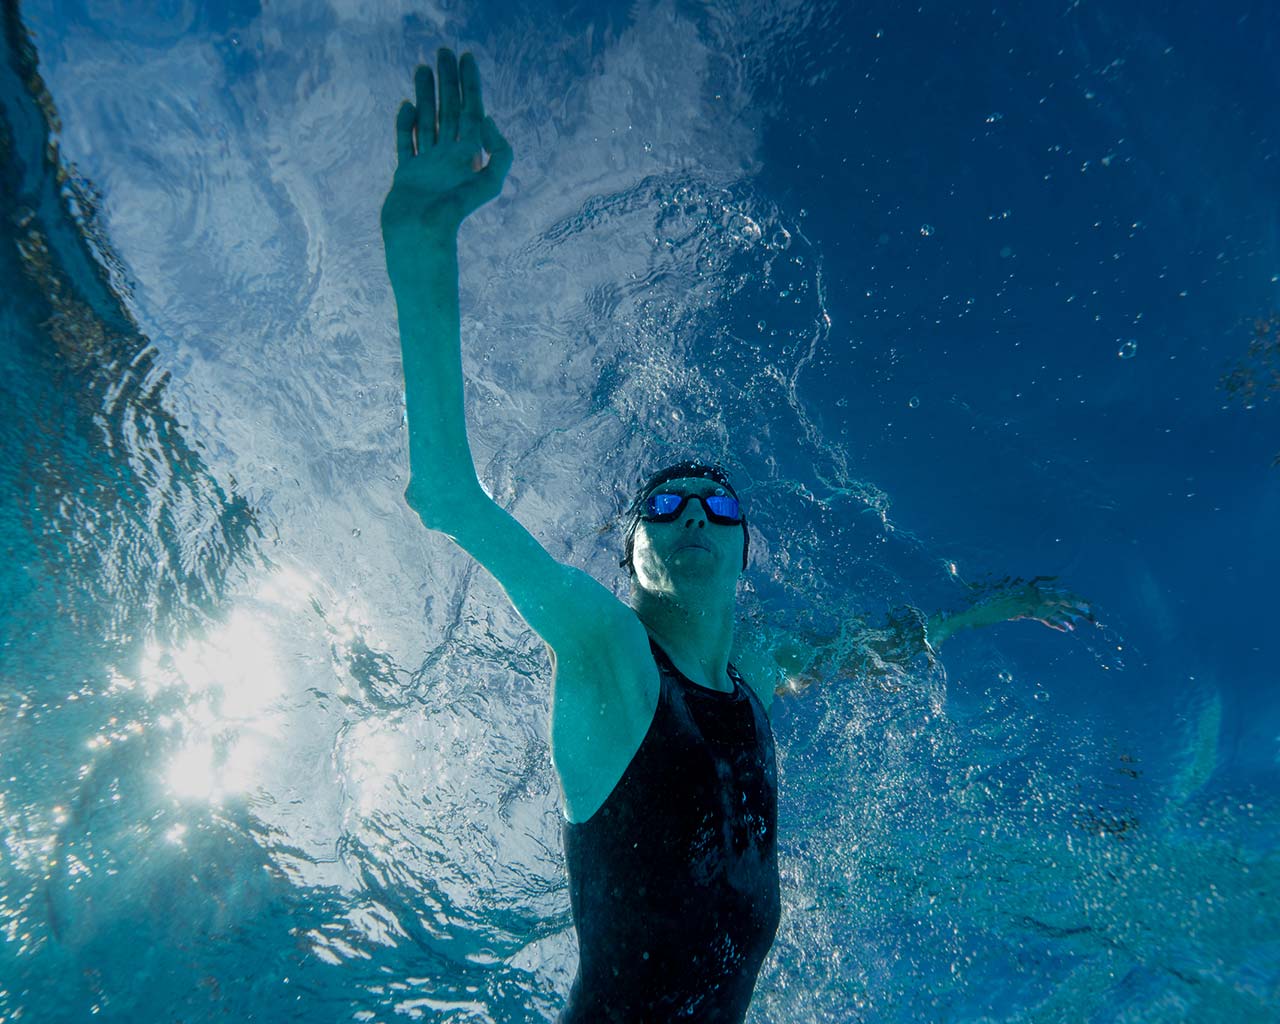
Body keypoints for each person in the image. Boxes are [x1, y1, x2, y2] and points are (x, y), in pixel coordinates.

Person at [379, 48, 1092, 1023]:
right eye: (661, 509)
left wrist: (994, 606)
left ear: (745, 550)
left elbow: (874, 648)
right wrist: (420, 241)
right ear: (628, 553)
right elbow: (448, 494)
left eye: (715, 506)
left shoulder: (752, 670)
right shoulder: (610, 662)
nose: (688, 518)